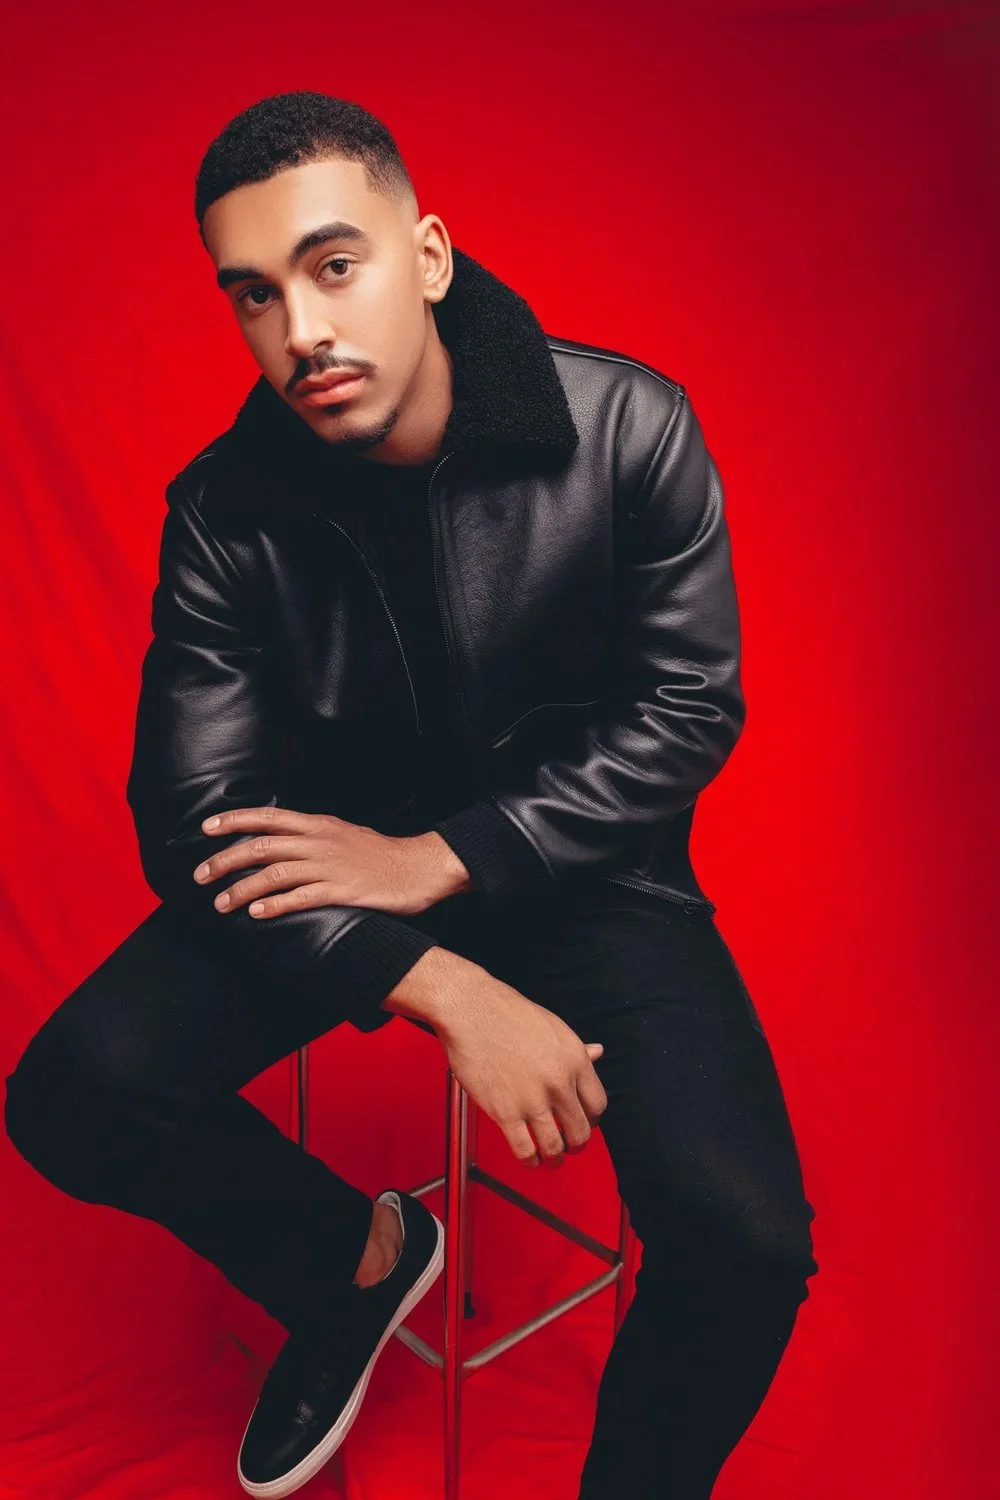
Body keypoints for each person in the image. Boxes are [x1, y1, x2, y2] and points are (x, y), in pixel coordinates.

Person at [3, 90, 819, 1500]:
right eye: (253, 295)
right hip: (337, 878)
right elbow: (188, 813)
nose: (300, 330)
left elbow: (688, 710)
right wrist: (433, 977)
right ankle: (352, 1264)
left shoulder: (629, 428)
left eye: (334, 265)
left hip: (587, 869)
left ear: (426, 254)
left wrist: (449, 855)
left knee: (747, 1243)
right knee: (72, 1095)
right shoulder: (224, 507)